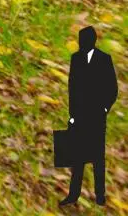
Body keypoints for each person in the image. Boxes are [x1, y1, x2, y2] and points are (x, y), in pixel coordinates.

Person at [67, 25, 117, 209]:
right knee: (78, 155)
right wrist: (72, 114)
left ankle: (100, 195)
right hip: (79, 114)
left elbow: (112, 88)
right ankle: (74, 193)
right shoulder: (76, 59)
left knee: (97, 156)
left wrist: (104, 108)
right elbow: (72, 89)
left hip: (96, 114)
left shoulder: (104, 60)